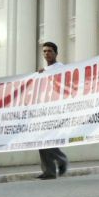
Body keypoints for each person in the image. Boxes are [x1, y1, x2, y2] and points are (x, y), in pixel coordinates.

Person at [37, 42, 69, 180]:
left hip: (56, 108)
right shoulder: (43, 70)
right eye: (44, 51)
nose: (46, 54)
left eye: (49, 51)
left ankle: (61, 159)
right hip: (43, 108)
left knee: (46, 138)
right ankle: (48, 171)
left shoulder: (61, 68)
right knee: (39, 139)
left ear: (56, 53)